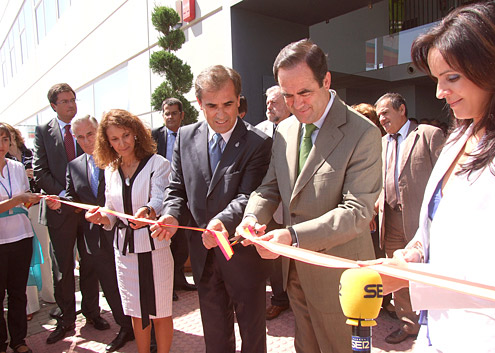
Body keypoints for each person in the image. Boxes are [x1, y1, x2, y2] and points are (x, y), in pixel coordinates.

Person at [366, 2, 495, 352]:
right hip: (438, 329)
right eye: (437, 80)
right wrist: (412, 254)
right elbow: (436, 224)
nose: (440, 92)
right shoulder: (458, 136)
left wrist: (412, 275)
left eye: (452, 78)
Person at [236, 39, 382, 353]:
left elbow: (356, 211)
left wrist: (291, 236)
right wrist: (251, 218)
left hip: (339, 277)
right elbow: (270, 188)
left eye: (304, 92)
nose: (296, 103)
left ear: (326, 80)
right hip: (295, 274)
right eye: (287, 95)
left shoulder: (363, 133)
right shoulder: (285, 131)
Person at [151, 65, 272, 353]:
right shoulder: (184, 137)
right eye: (212, 105)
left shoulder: (259, 143)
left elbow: (250, 195)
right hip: (203, 258)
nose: (221, 114)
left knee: (253, 339)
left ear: (239, 99)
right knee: (215, 339)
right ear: (199, 103)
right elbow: (176, 188)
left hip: (242, 254)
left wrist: (220, 222)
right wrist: (170, 214)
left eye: (228, 104)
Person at [86, 109, 173, 353]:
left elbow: (159, 198)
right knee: (136, 311)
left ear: (135, 133)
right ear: (107, 141)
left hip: (154, 248)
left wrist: (148, 211)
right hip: (125, 252)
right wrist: (100, 216)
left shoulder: (158, 163)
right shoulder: (110, 170)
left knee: (160, 311)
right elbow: (110, 212)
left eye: (125, 135)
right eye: (114, 139)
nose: (121, 143)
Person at [45, 115, 134, 352]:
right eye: (80, 137)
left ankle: (143, 327)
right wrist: (59, 203)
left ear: (100, 132)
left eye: (90, 134)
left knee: (131, 284)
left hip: (123, 234)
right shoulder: (73, 166)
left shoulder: (118, 159)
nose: (86, 140)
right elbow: (72, 198)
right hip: (94, 239)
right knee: (110, 286)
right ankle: (126, 327)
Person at [34, 83, 109, 344]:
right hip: (60, 211)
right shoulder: (44, 131)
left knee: (90, 264)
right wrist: (67, 196)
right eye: (64, 101)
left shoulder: (83, 128)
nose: (71, 105)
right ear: (53, 105)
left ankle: (92, 313)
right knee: (63, 269)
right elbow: (40, 170)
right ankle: (66, 319)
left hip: (89, 213)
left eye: (73, 99)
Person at [373, 93, 445, 344]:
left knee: (427, 272)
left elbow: (444, 179)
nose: (381, 118)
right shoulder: (382, 143)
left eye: (385, 112)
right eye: (378, 114)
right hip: (390, 219)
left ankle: (434, 324)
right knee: (399, 272)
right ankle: (408, 324)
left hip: (419, 221)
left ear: (401, 109)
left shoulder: (427, 134)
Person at [0, 123, 42, 353]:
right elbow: (17, 200)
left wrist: (32, 200)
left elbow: (24, 200)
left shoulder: (17, 167)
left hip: (21, 237)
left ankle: (19, 341)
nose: (2, 145)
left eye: (6, 139)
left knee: (18, 292)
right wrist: (16, 201)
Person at [151, 98, 196, 300]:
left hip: (182, 195)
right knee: (164, 241)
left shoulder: (190, 136)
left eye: (174, 113)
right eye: (166, 113)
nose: (170, 117)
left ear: (182, 115)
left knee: (181, 243)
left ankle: (179, 280)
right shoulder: (153, 136)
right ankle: (166, 284)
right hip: (158, 195)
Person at [255, 85, 291, 320]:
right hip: (269, 205)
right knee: (274, 257)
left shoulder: (301, 128)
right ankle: (279, 299)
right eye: (267, 102)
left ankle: (298, 297)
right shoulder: (258, 132)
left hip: (293, 205)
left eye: (275, 102)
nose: (269, 106)